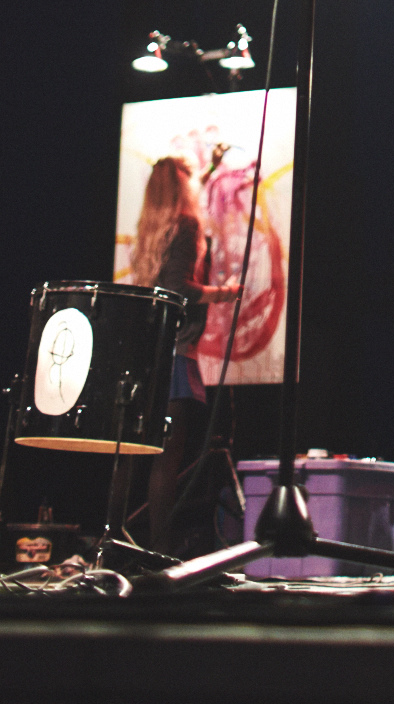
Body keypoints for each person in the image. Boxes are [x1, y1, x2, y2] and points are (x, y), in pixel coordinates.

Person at [129, 156, 238, 549]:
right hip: (177, 353)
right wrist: (227, 292)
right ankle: (159, 548)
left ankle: (115, 539)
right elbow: (180, 289)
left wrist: (209, 171)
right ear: (182, 188)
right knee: (166, 459)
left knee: (134, 454)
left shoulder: (153, 228)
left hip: (150, 353)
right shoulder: (188, 226)